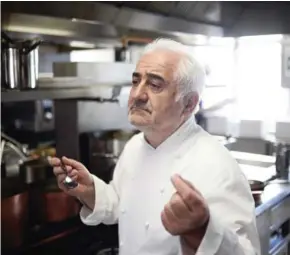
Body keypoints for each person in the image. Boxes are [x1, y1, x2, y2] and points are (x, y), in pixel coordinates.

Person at [49, 38, 261, 255]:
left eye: (155, 85)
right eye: (135, 81)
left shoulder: (217, 165)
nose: (137, 95)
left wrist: (202, 230)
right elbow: (123, 204)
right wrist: (91, 191)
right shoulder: (135, 146)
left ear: (188, 104)